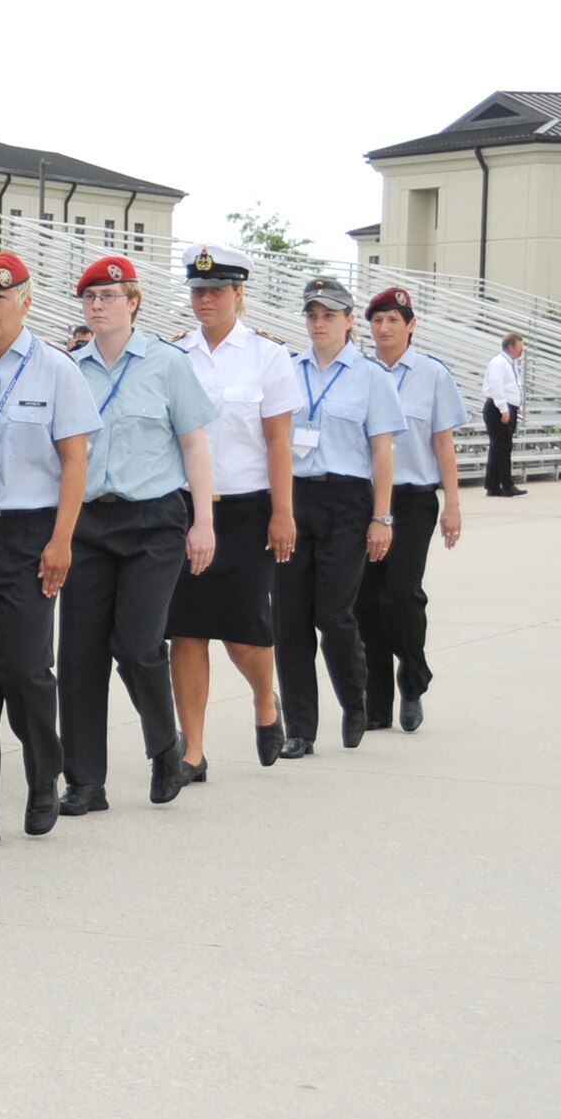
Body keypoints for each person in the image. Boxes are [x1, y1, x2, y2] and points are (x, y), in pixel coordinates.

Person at [0, 252, 99, 847]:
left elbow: (75, 462)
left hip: (31, 534)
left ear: (26, 302)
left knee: (27, 669)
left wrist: (61, 541)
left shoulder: (57, 371)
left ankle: (42, 777)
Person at [56, 256, 217, 816]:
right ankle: (84, 782)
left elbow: (195, 444)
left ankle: (165, 746)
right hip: (88, 524)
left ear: (134, 302)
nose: (97, 306)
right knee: (78, 654)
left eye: (108, 296)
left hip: (152, 521)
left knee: (137, 643)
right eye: (90, 297)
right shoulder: (69, 368)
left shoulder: (168, 365)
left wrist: (204, 521)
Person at [164, 243, 301, 783]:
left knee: (244, 632)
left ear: (239, 293)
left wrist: (283, 513)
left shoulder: (268, 357)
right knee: (187, 630)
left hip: (247, 511)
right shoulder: (174, 355)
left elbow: (279, 443)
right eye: (198, 290)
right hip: (186, 509)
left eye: (217, 289)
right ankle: (192, 751)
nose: (206, 299)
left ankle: (266, 701)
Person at [274, 278, 405, 758]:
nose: (319, 323)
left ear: (350, 321)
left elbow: (383, 452)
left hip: (347, 502)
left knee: (332, 613)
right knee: (289, 618)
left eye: (329, 314)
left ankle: (355, 698)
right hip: (292, 497)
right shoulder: (288, 370)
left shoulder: (372, 377)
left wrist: (382, 518)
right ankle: (300, 729)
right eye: (312, 314)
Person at [357, 287, 466, 732]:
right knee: (366, 603)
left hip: (414, 499)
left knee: (400, 594)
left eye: (393, 321)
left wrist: (453, 506)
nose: (384, 329)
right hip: (362, 500)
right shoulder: (357, 372)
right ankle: (377, 701)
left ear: (410, 325)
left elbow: (443, 442)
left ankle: (413, 677)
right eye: (377, 321)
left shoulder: (431, 374)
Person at [480, 333, 526, 496]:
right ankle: (506, 484)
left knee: (498, 447)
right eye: (520, 346)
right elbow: (496, 387)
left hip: (506, 407)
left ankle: (493, 485)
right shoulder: (499, 363)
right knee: (503, 447)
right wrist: (504, 408)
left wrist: (516, 405)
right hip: (498, 408)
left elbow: (510, 386)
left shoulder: (509, 363)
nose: (522, 350)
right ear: (511, 347)